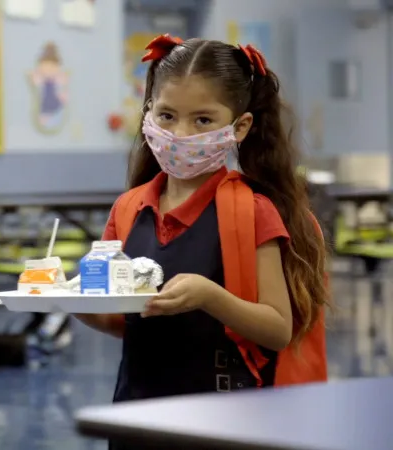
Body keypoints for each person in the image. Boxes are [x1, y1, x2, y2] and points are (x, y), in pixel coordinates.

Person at [75, 35, 330, 424]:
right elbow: (124, 318)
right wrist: (79, 305)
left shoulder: (252, 212)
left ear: (240, 126)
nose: (180, 134)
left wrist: (211, 297)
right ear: (148, 113)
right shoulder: (128, 209)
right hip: (138, 414)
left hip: (226, 421)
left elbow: (277, 329)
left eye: (203, 120)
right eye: (167, 116)